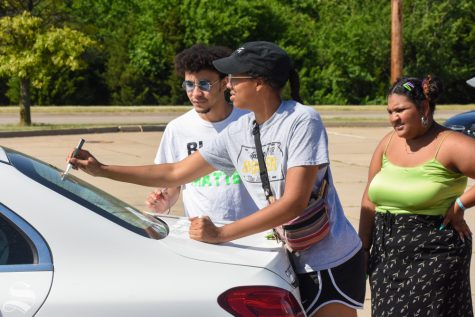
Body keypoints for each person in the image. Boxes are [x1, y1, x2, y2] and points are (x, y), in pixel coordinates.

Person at [69, 41, 366, 317]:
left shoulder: (301, 120)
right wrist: (102, 169)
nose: (229, 84)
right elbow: (175, 172)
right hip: (282, 257)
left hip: (329, 260)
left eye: (234, 78)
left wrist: (222, 234)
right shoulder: (240, 132)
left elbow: (293, 203)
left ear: (260, 82)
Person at [359, 75, 474, 316]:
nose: (393, 118)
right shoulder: (388, 143)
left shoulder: (450, 143)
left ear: (423, 107)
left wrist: (460, 205)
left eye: (400, 110)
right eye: (390, 111)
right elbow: (369, 200)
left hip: (434, 253)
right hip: (386, 254)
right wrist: (363, 250)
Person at [145, 44, 258, 221]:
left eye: (204, 85)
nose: (195, 93)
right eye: (189, 85)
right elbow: (174, 184)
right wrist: (165, 202)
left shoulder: (250, 121)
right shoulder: (177, 128)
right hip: (200, 234)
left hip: (250, 231)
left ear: (224, 84)